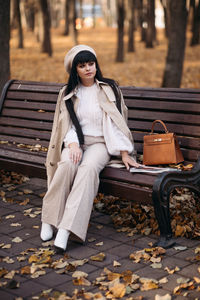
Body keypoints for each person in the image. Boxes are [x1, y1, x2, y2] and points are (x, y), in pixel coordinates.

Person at [40, 45, 140, 252]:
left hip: (101, 143)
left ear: (96, 65)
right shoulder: (68, 92)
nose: (88, 69)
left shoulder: (109, 88)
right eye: (82, 65)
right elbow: (64, 124)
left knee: (87, 169)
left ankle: (66, 229)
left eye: (91, 64)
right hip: (75, 140)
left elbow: (117, 122)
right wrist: (74, 145)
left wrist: (124, 152)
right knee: (67, 163)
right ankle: (49, 220)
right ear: (75, 70)